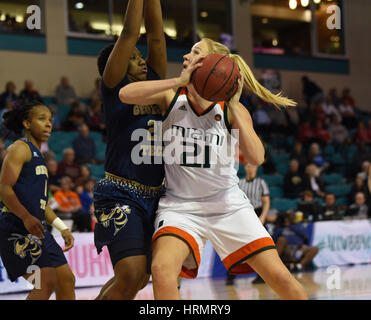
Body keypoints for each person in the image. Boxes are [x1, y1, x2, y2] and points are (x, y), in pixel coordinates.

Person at [119, 38, 307, 299]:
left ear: (211, 65)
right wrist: (178, 81)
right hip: (180, 207)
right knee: (161, 270)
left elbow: (257, 157)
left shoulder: (233, 109)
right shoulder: (171, 95)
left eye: (195, 53)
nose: (186, 56)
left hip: (228, 204)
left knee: (281, 278)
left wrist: (232, 104)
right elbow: (125, 94)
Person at [93, 0, 167, 300]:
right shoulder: (115, 87)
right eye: (133, 57)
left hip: (155, 194)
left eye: (140, 57)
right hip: (121, 192)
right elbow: (128, 34)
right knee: (131, 274)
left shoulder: (156, 82)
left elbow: (158, 36)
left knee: (138, 279)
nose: (140, 60)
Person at [0, 101, 75, 300]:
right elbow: (3, 187)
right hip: (16, 226)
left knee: (66, 279)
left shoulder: (39, 156)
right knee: (45, 282)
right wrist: (25, 216)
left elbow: (42, 204)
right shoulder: (20, 148)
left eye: (50, 120)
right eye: (42, 119)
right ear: (26, 123)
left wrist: (62, 227)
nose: (48, 124)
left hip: (38, 228)